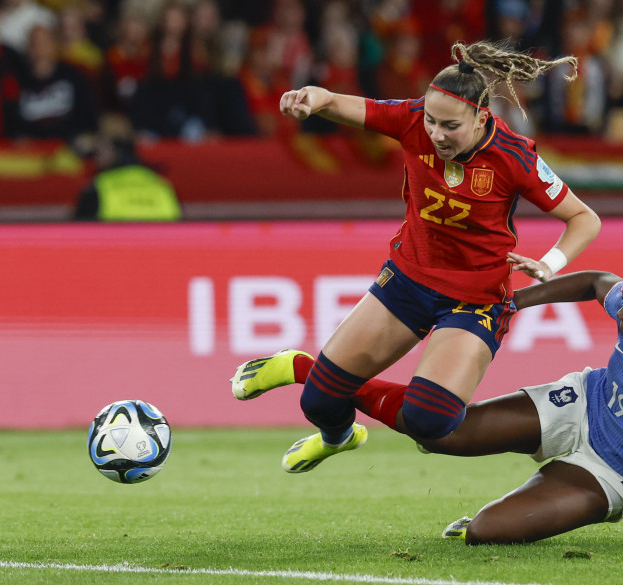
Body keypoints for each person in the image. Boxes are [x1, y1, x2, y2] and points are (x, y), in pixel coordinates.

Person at [248, 253, 623, 547]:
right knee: (439, 430)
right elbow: (596, 280)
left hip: (617, 473)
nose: (622, 308)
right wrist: (516, 301)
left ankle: (519, 505)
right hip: (580, 403)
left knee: (486, 533)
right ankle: (311, 371)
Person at [230, 40, 601, 474]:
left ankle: (300, 367)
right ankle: (338, 437)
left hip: (475, 300)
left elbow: (583, 217)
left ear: (482, 117)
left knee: (430, 419)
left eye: (450, 126)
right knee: (318, 402)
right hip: (406, 281)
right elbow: (343, 105)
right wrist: (316, 99)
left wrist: (550, 263)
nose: (437, 134)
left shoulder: (515, 155)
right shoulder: (411, 121)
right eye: (430, 121)